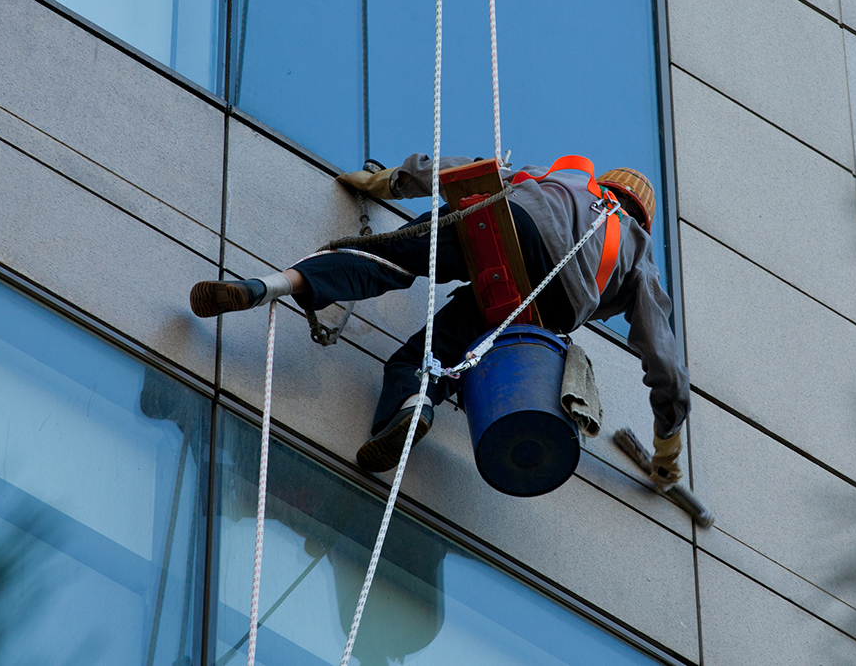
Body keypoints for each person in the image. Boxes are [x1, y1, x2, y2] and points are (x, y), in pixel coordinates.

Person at [189, 154, 690, 490]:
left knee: (389, 258)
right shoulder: (642, 262)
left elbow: (456, 168)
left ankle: (268, 287)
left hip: (513, 225)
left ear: (607, 186)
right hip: (545, 309)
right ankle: (413, 407)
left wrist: (389, 181)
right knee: (432, 356)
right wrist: (667, 447)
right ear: (642, 218)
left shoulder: (563, 179)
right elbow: (665, 363)